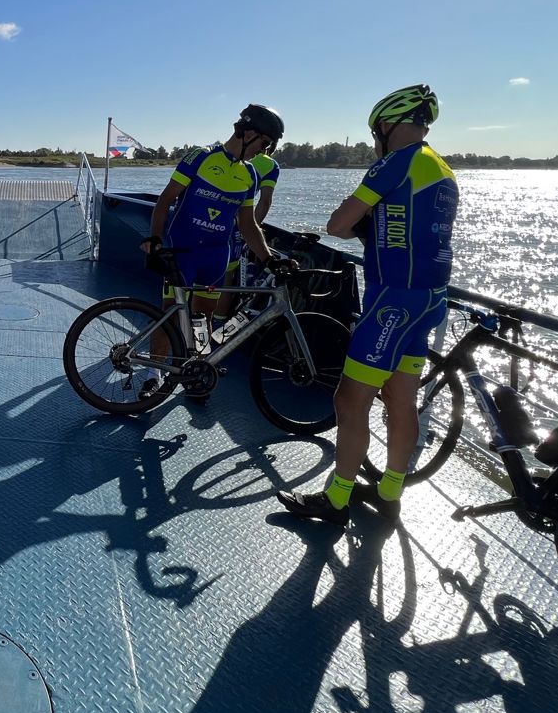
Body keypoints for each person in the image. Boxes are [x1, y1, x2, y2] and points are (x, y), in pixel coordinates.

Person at [278, 84, 458, 525]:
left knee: (350, 399)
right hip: (429, 299)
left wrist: (362, 224)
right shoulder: (442, 168)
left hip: (393, 298)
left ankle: (338, 499)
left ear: (386, 126)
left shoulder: (397, 163)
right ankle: (389, 493)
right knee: (401, 399)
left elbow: (337, 225)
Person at [141, 106, 289, 376]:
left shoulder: (251, 175)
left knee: (203, 317)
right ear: (249, 133)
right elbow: (164, 201)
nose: (264, 152)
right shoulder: (201, 157)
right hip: (182, 250)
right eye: (264, 144)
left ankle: (197, 368)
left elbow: (247, 224)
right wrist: (155, 239)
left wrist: (269, 259)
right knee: (172, 314)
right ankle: (154, 373)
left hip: (216, 256)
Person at [213, 147, 281, 336]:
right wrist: (251, 228)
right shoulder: (271, 165)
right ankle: (218, 327)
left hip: (209, 217)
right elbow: (265, 202)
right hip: (234, 221)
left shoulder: (231, 154)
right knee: (227, 274)